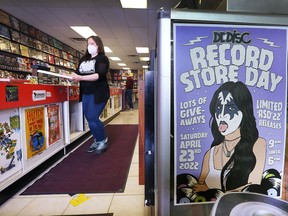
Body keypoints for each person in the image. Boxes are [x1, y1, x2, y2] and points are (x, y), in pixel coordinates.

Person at [193, 81, 266, 193]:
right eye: (218, 107)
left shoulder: (258, 144)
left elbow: (253, 187)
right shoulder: (210, 154)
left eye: (230, 108)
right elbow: (197, 191)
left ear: (244, 111)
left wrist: (212, 190)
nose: (222, 114)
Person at [71, 35, 110, 154]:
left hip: (99, 93)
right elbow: (77, 73)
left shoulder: (102, 59)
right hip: (86, 93)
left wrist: (80, 77)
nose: (90, 46)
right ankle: (97, 140)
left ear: (98, 45)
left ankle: (103, 140)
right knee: (89, 118)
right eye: (88, 44)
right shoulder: (83, 59)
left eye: (92, 43)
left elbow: (99, 75)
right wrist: (73, 76)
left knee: (93, 117)